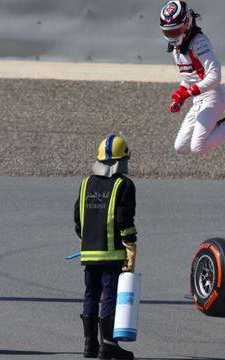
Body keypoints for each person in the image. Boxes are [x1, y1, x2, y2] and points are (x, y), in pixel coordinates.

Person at [159, 0, 225, 155]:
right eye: (168, 32)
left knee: (198, 148)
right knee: (180, 147)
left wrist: (188, 93)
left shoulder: (199, 42)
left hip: (213, 96)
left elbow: (215, 76)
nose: (172, 36)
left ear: (187, 23)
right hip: (198, 99)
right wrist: (180, 96)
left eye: (176, 31)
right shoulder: (176, 49)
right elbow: (188, 78)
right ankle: (221, 125)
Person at [74, 135, 137, 359]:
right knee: (109, 295)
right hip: (111, 255)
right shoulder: (124, 185)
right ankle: (108, 345)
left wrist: (87, 240)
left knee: (91, 295)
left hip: (88, 253)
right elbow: (124, 221)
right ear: (124, 159)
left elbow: (78, 221)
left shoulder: (85, 184)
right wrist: (130, 246)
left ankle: (89, 345)